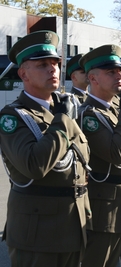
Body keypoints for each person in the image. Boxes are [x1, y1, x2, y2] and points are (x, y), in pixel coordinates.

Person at [0, 30, 91, 267]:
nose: (53, 69)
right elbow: (34, 165)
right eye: (42, 65)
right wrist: (61, 121)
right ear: (23, 73)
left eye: (55, 63)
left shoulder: (63, 108)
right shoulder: (13, 116)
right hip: (38, 234)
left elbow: (82, 161)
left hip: (73, 226)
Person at [78, 44, 121, 267]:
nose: (119, 76)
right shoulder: (90, 116)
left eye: (120, 71)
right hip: (101, 209)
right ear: (93, 79)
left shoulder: (115, 109)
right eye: (111, 72)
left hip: (120, 204)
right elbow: (116, 154)